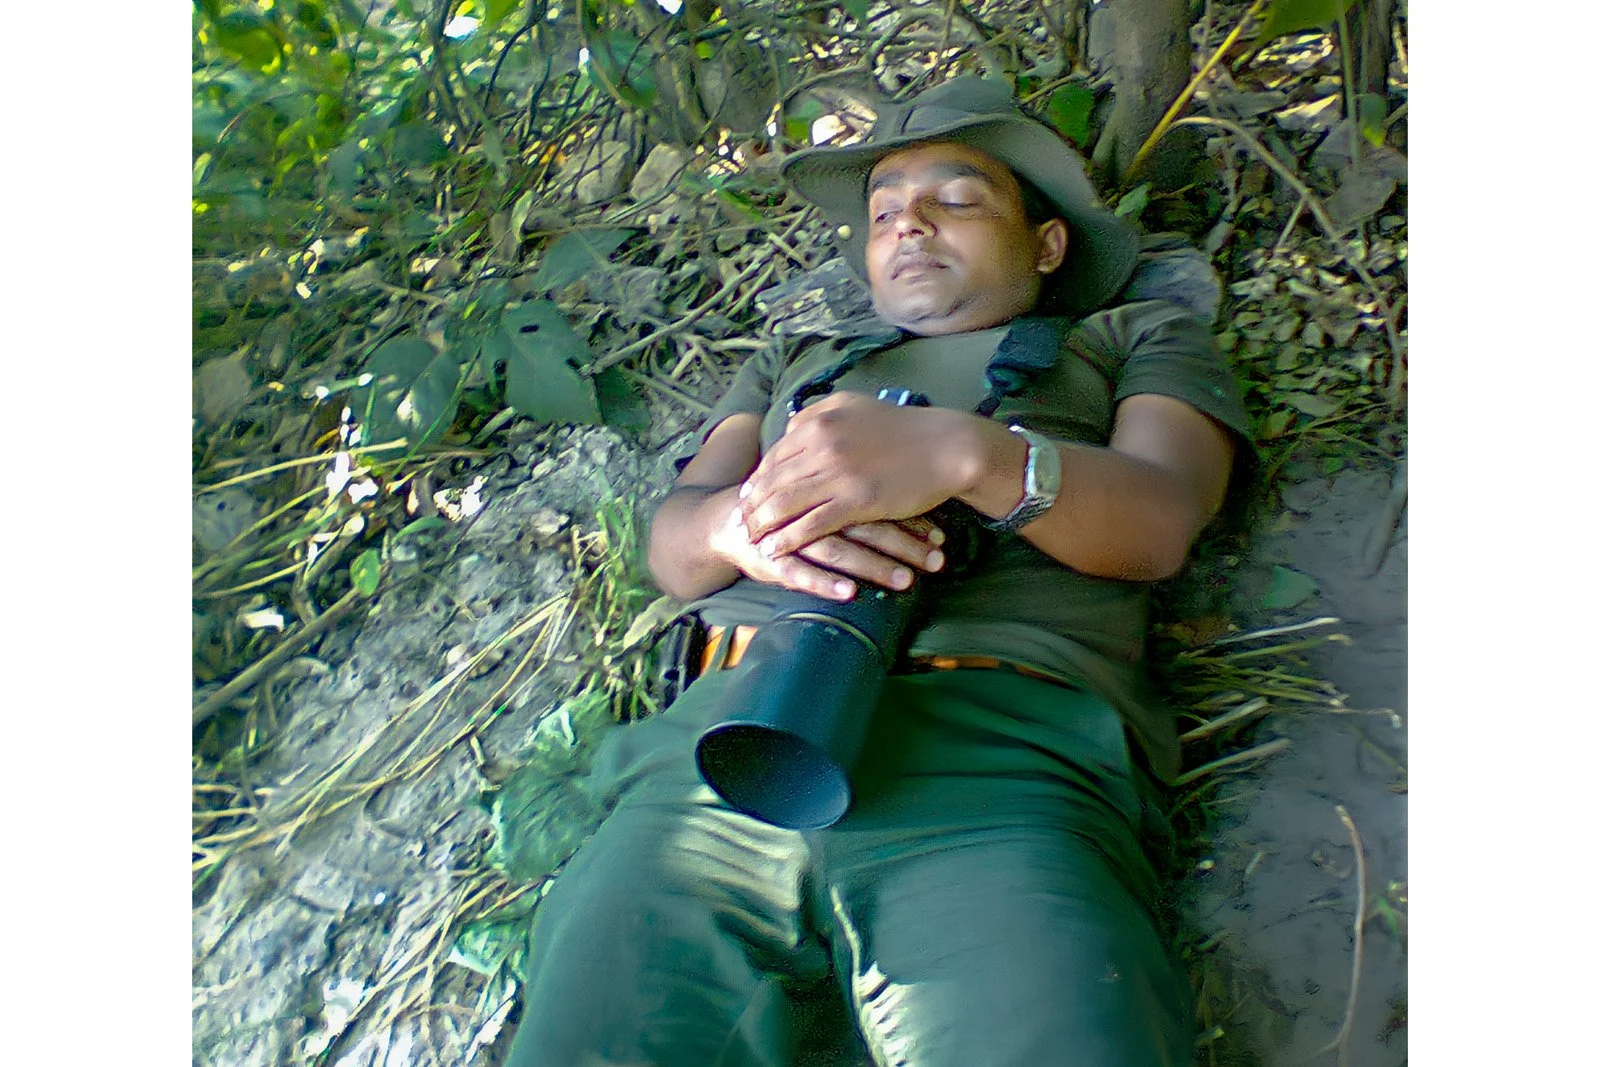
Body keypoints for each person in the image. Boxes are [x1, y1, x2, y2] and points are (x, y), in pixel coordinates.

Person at [503, 76, 1252, 1067]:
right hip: (720, 749)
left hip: (999, 753)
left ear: (1047, 243)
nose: (909, 226)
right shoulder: (801, 362)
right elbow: (672, 545)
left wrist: (963, 460)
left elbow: (1161, 518)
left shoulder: (1125, 338)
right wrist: (745, 528)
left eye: (956, 198)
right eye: (886, 211)